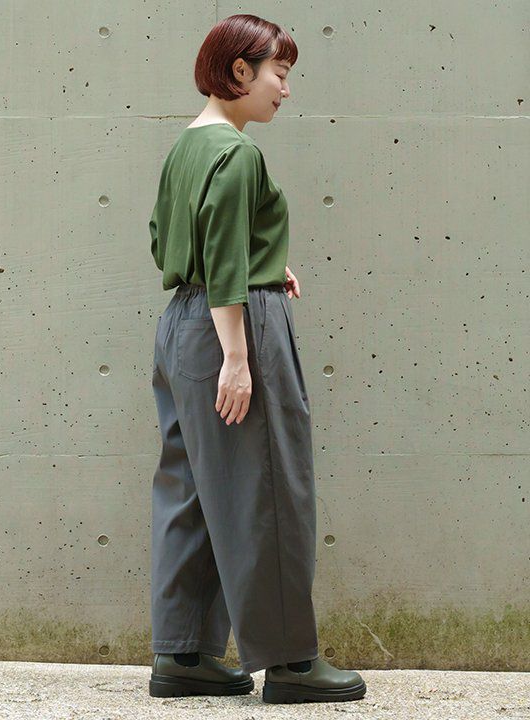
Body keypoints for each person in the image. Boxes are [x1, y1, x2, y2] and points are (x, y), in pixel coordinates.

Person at [148, 13, 367, 705]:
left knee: (190, 489)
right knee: (267, 489)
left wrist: (267, 261)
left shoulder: (187, 145)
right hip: (232, 325)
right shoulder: (238, 154)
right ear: (240, 70)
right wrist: (238, 357)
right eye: (280, 72)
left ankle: (182, 655)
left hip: (181, 324)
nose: (286, 89)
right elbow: (222, 257)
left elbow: (169, 239)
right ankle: (292, 664)